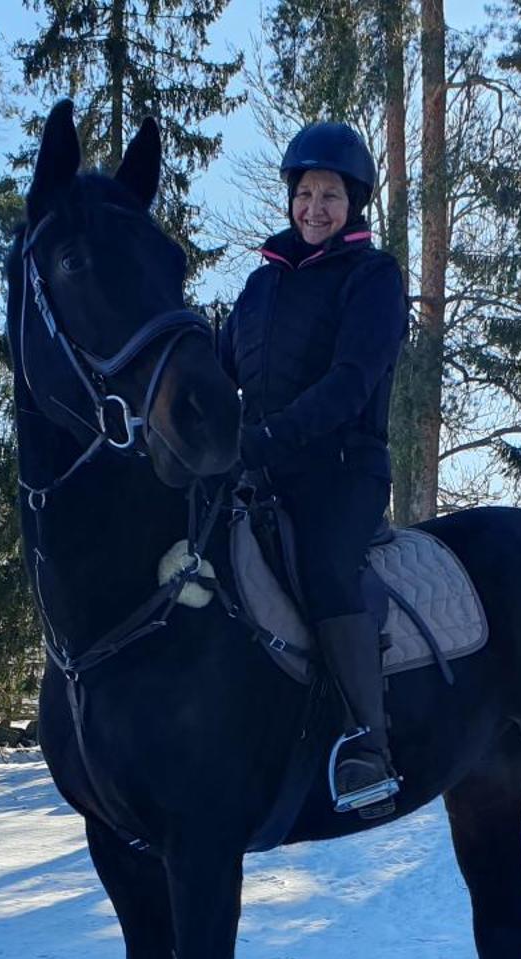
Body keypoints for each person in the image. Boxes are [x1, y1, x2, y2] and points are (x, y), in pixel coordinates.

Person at [220, 122, 409, 817]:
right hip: (261, 471)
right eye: (305, 194)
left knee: (328, 566)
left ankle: (369, 747)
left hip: (345, 470)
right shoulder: (257, 287)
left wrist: (269, 438)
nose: (315, 208)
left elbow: (352, 381)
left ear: (352, 204)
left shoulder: (373, 277)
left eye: (330, 195)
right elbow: (221, 374)